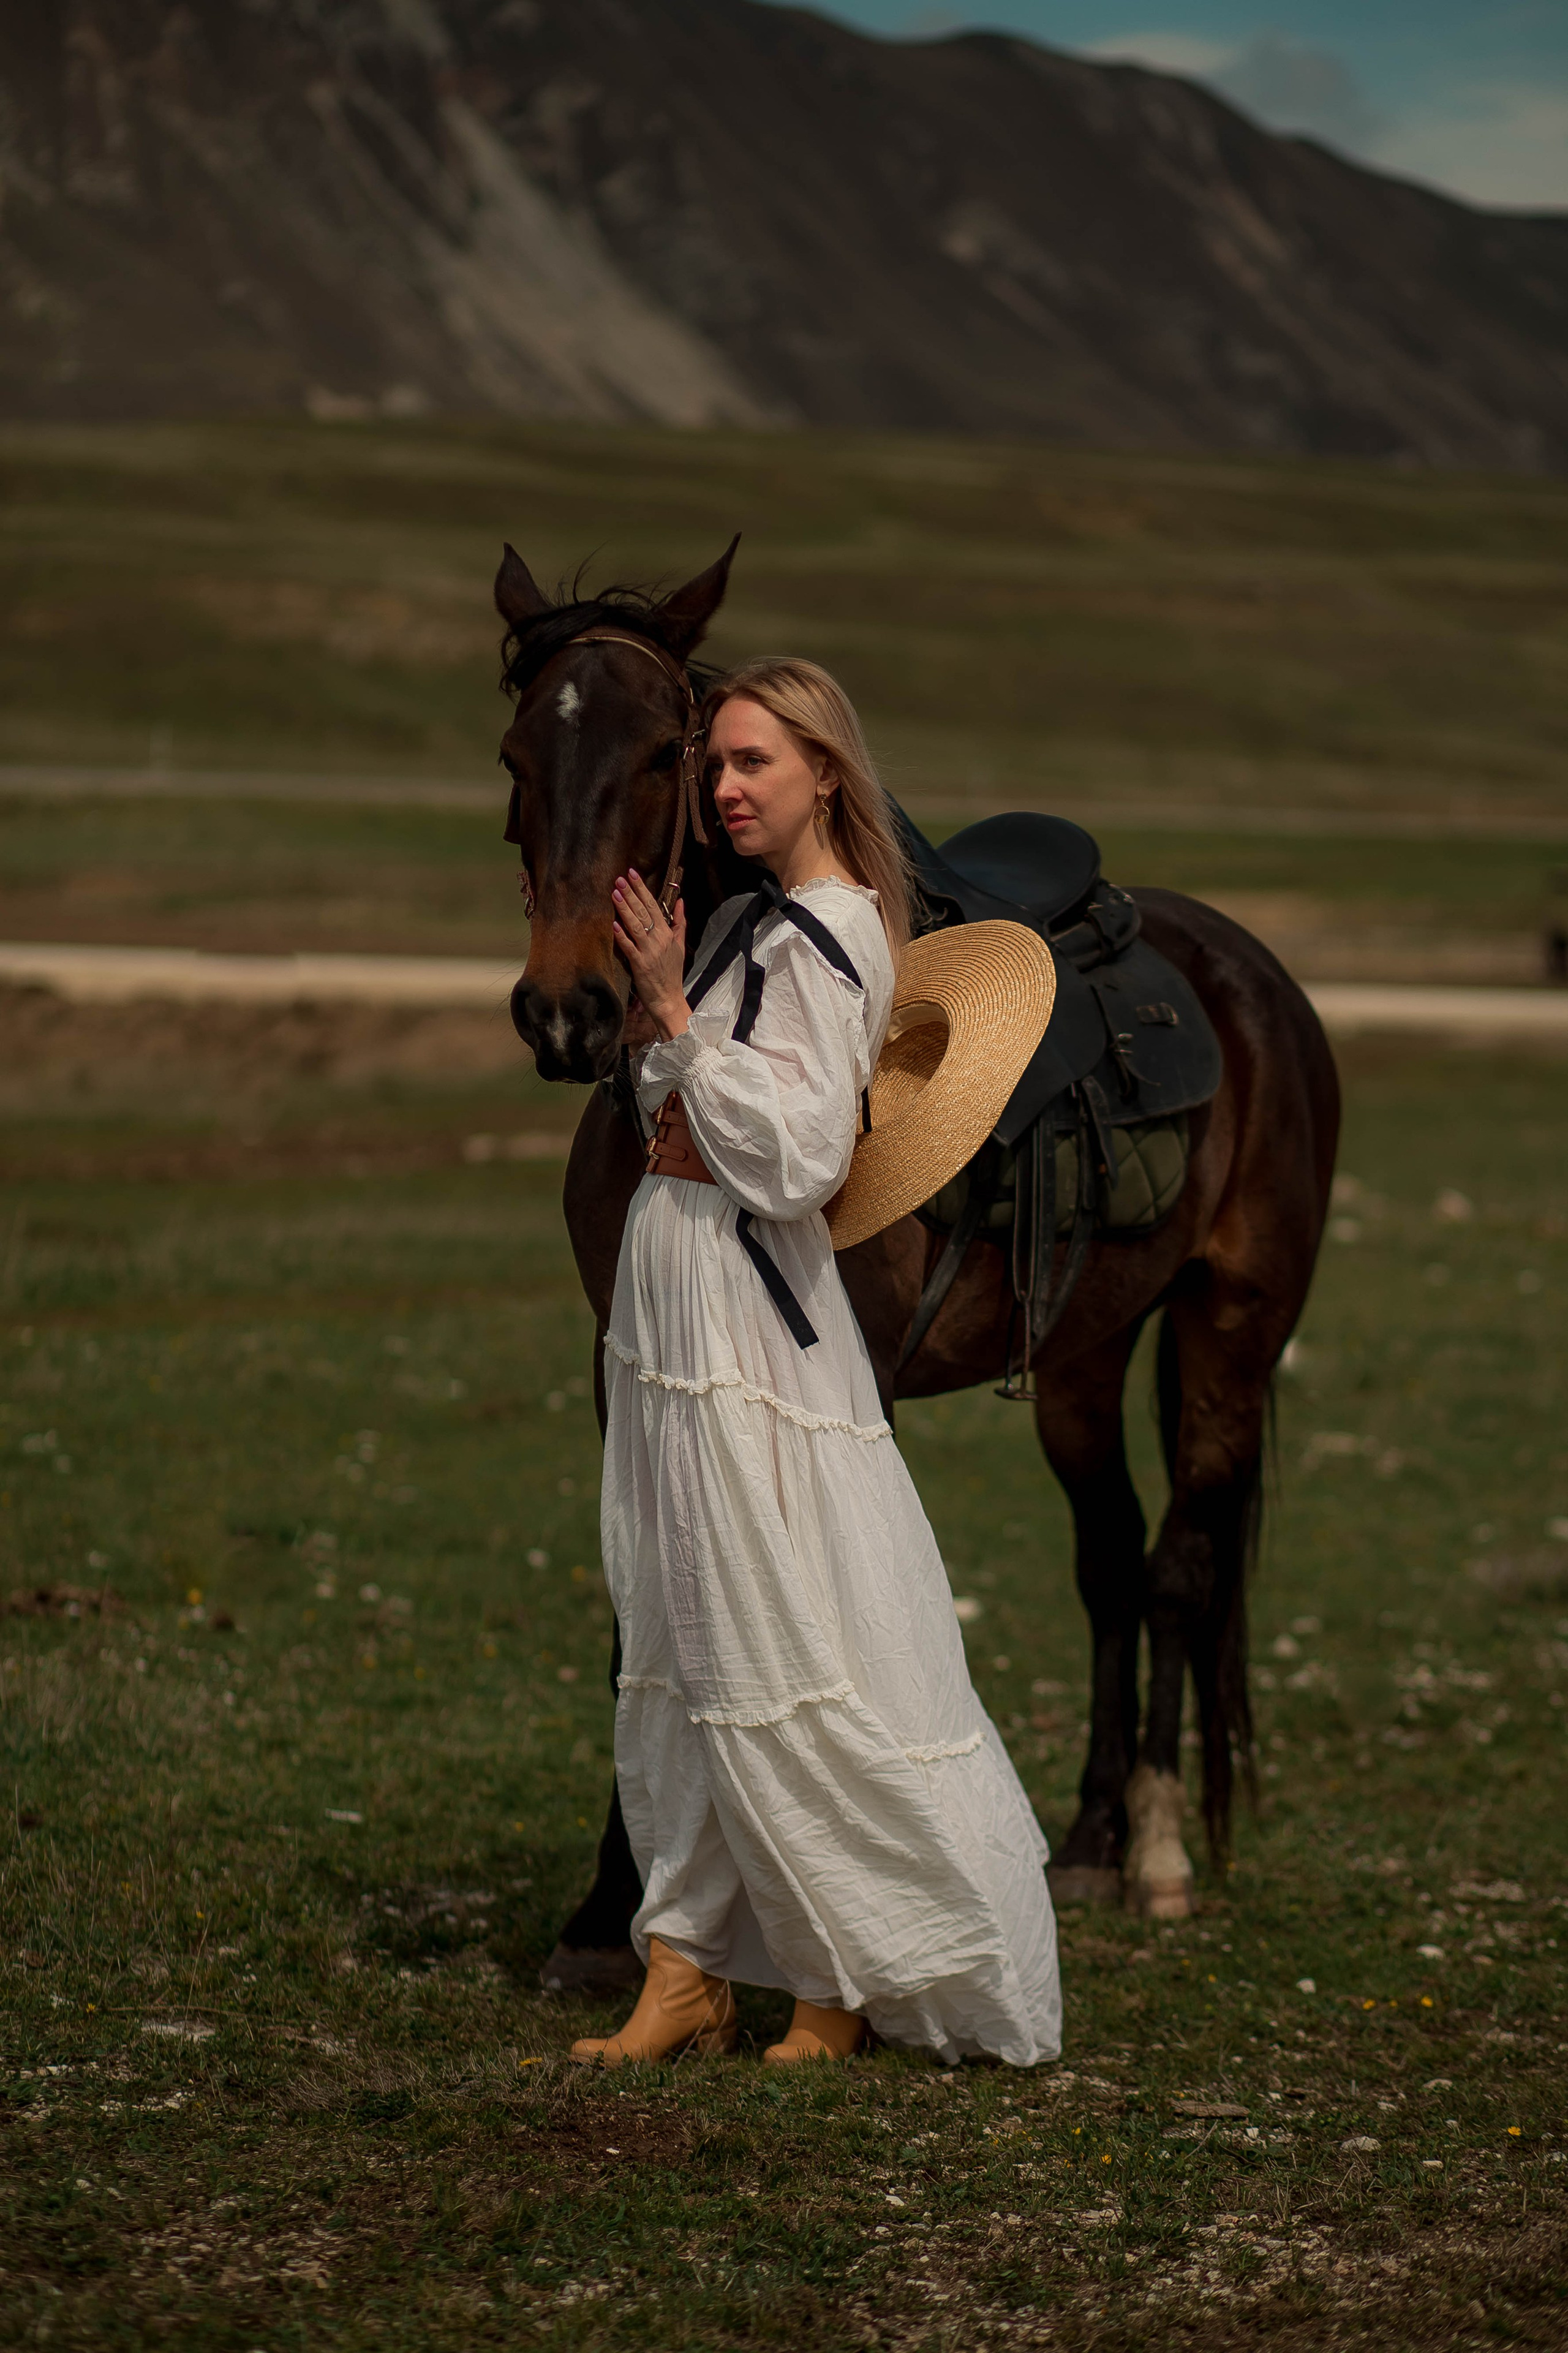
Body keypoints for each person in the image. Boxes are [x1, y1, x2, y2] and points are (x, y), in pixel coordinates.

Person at [572, 657, 1061, 2069]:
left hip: (741, 1316)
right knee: (677, 1632)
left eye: (752, 765)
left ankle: (836, 1973)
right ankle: (683, 1965)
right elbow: (695, 1111)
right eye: (715, 766)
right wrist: (674, 1030)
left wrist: (670, 1016)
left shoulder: (832, 933)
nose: (723, 790)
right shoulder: (753, 927)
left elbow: (793, 1160)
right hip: (677, 1306)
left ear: (824, 774)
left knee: (771, 1629)